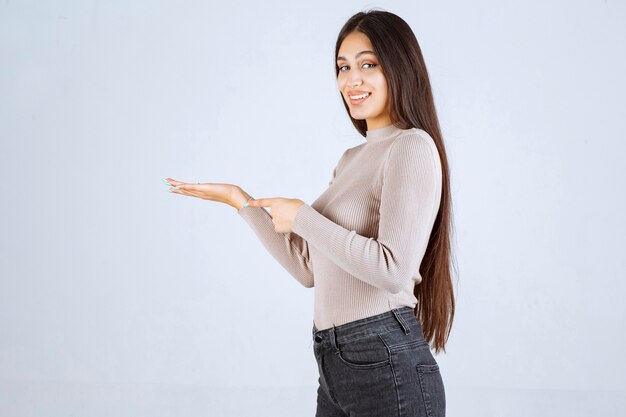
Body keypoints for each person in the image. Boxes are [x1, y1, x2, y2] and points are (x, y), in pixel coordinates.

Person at [164, 9, 455, 417]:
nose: (351, 80)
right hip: (335, 361)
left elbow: (393, 269)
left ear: (399, 68)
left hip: (384, 358)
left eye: (367, 65)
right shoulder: (351, 159)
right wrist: (241, 202)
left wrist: (302, 216)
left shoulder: (411, 147)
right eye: (343, 67)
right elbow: (308, 270)